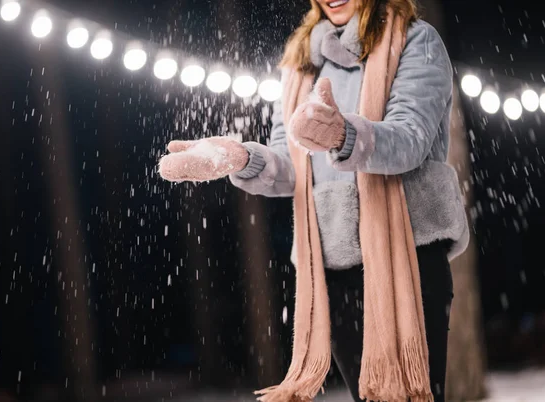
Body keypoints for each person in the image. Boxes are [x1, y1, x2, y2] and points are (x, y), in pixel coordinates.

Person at [159, 0, 469, 401]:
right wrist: (242, 158)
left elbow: (409, 140)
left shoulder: (416, 41)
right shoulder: (300, 63)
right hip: (332, 267)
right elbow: (291, 167)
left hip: (409, 255)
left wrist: (343, 135)